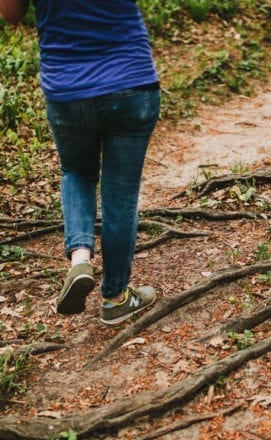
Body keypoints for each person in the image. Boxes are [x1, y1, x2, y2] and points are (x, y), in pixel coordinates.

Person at [0, 0, 160, 325]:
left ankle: (80, 258)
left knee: (77, 172)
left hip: (67, 90)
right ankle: (115, 297)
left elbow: (11, 14)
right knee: (120, 196)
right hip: (130, 83)